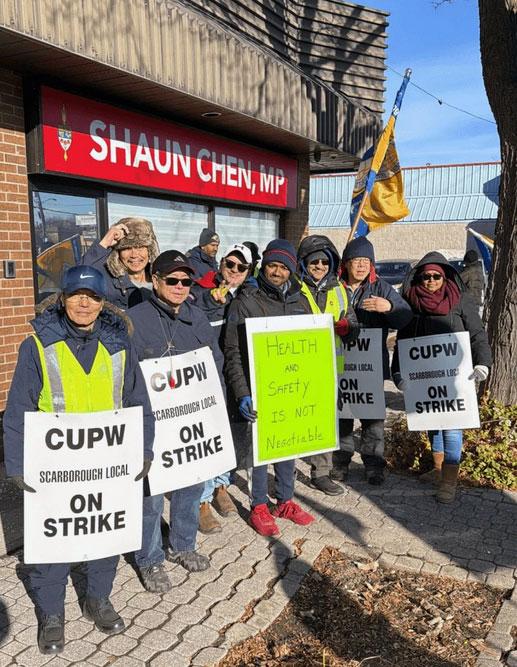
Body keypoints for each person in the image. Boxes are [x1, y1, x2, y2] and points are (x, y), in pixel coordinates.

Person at [2, 266, 154, 655]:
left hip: (108, 468)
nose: (84, 303)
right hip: (54, 471)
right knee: (51, 544)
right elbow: (17, 409)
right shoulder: (36, 346)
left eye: (93, 297)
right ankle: (52, 613)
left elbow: (139, 403)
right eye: (76, 295)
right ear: (63, 299)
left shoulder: (121, 345)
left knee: (106, 536)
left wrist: (145, 448)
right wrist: (16, 465)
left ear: (104, 303)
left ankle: (98, 599)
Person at [129, 250, 226, 591]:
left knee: (190, 486)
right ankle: (150, 559)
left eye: (186, 281)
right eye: (172, 280)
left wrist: (219, 410)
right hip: (152, 423)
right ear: (155, 280)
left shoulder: (198, 318)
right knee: (150, 497)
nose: (180, 286)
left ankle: (183, 545)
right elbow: (127, 376)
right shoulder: (135, 319)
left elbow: (214, 365)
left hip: (191, 421)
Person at [224, 239, 315, 537]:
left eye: (283, 267)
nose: (277, 272)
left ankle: (285, 501)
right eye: (272, 265)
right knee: (260, 452)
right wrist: (242, 393)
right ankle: (259, 505)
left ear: (291, 269)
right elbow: (233, 352)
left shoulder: (301, 301)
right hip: (259, 388)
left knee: (288, 445)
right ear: (264, 266)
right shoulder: (245, 301)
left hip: (292, 389)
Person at [392, 252, 492, 503]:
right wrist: (398, 373)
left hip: (455, 375)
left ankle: (449, 480)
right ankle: (437, 469)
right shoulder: (410, 302)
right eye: (426, 276)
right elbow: (403, 340)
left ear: (445, 276)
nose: (431, 280)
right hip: (425, 377)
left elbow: (478, 334)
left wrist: (483, 364)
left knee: (452, 425)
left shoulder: (461, 300)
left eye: (436, 276)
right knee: (433, 421)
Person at [331, 236, 413, 485]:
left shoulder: (381, 288)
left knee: (372, 417)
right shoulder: (333, 286)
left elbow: (405, 317)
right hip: (340, 363)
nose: (361, 266)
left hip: (371, 364)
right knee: (342, 414)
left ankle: (374, 465)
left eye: (366, 261)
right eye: (356, 260)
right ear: (346, 263)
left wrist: (388, 307)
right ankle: (340, 462)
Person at [191, 243, 253, 534]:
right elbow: (190, 313)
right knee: (207, 438)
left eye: (242, 267)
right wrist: (211, 300)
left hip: (236, 377)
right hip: (208, 377)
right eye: (230, 264)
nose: (235, 271)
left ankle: (221, 486)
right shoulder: (203, 292)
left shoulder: (250, 295)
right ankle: (202, 501)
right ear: (221, 265)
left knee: (230, 436)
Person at [297, 234, 360, 495]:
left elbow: (354, 326)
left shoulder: (341, 291)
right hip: (297, 367)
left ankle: (321, 473)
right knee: (297, 420)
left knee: (325, 422)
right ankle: (286, 471)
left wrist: (348, 327)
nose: (320, 266)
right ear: (305, 264)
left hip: (330, 369)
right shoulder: (293, 288)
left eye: (324, 262)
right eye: (314, 262)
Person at [81, 217, 159, 310]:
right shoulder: (107, 280)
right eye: (127, 248)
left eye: (140, 247)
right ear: (117, 252)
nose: (134, 255)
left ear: (150, 250)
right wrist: (105, 242)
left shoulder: (162, 280)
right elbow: (80, 276)